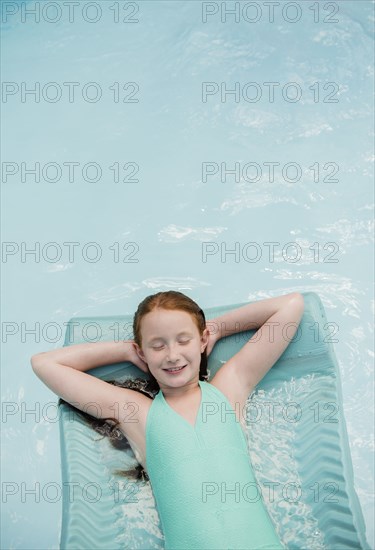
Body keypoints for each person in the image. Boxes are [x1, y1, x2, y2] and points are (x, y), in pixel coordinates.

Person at [31, 290, 304, 550]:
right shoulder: (137, 412)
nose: (172, 355)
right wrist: (126, 350)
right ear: (143, 353)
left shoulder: (228, 391)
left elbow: (290, 306)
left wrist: (217, 328)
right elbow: (44, 364)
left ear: (202, 341)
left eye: (183, 341)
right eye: (157, 346)